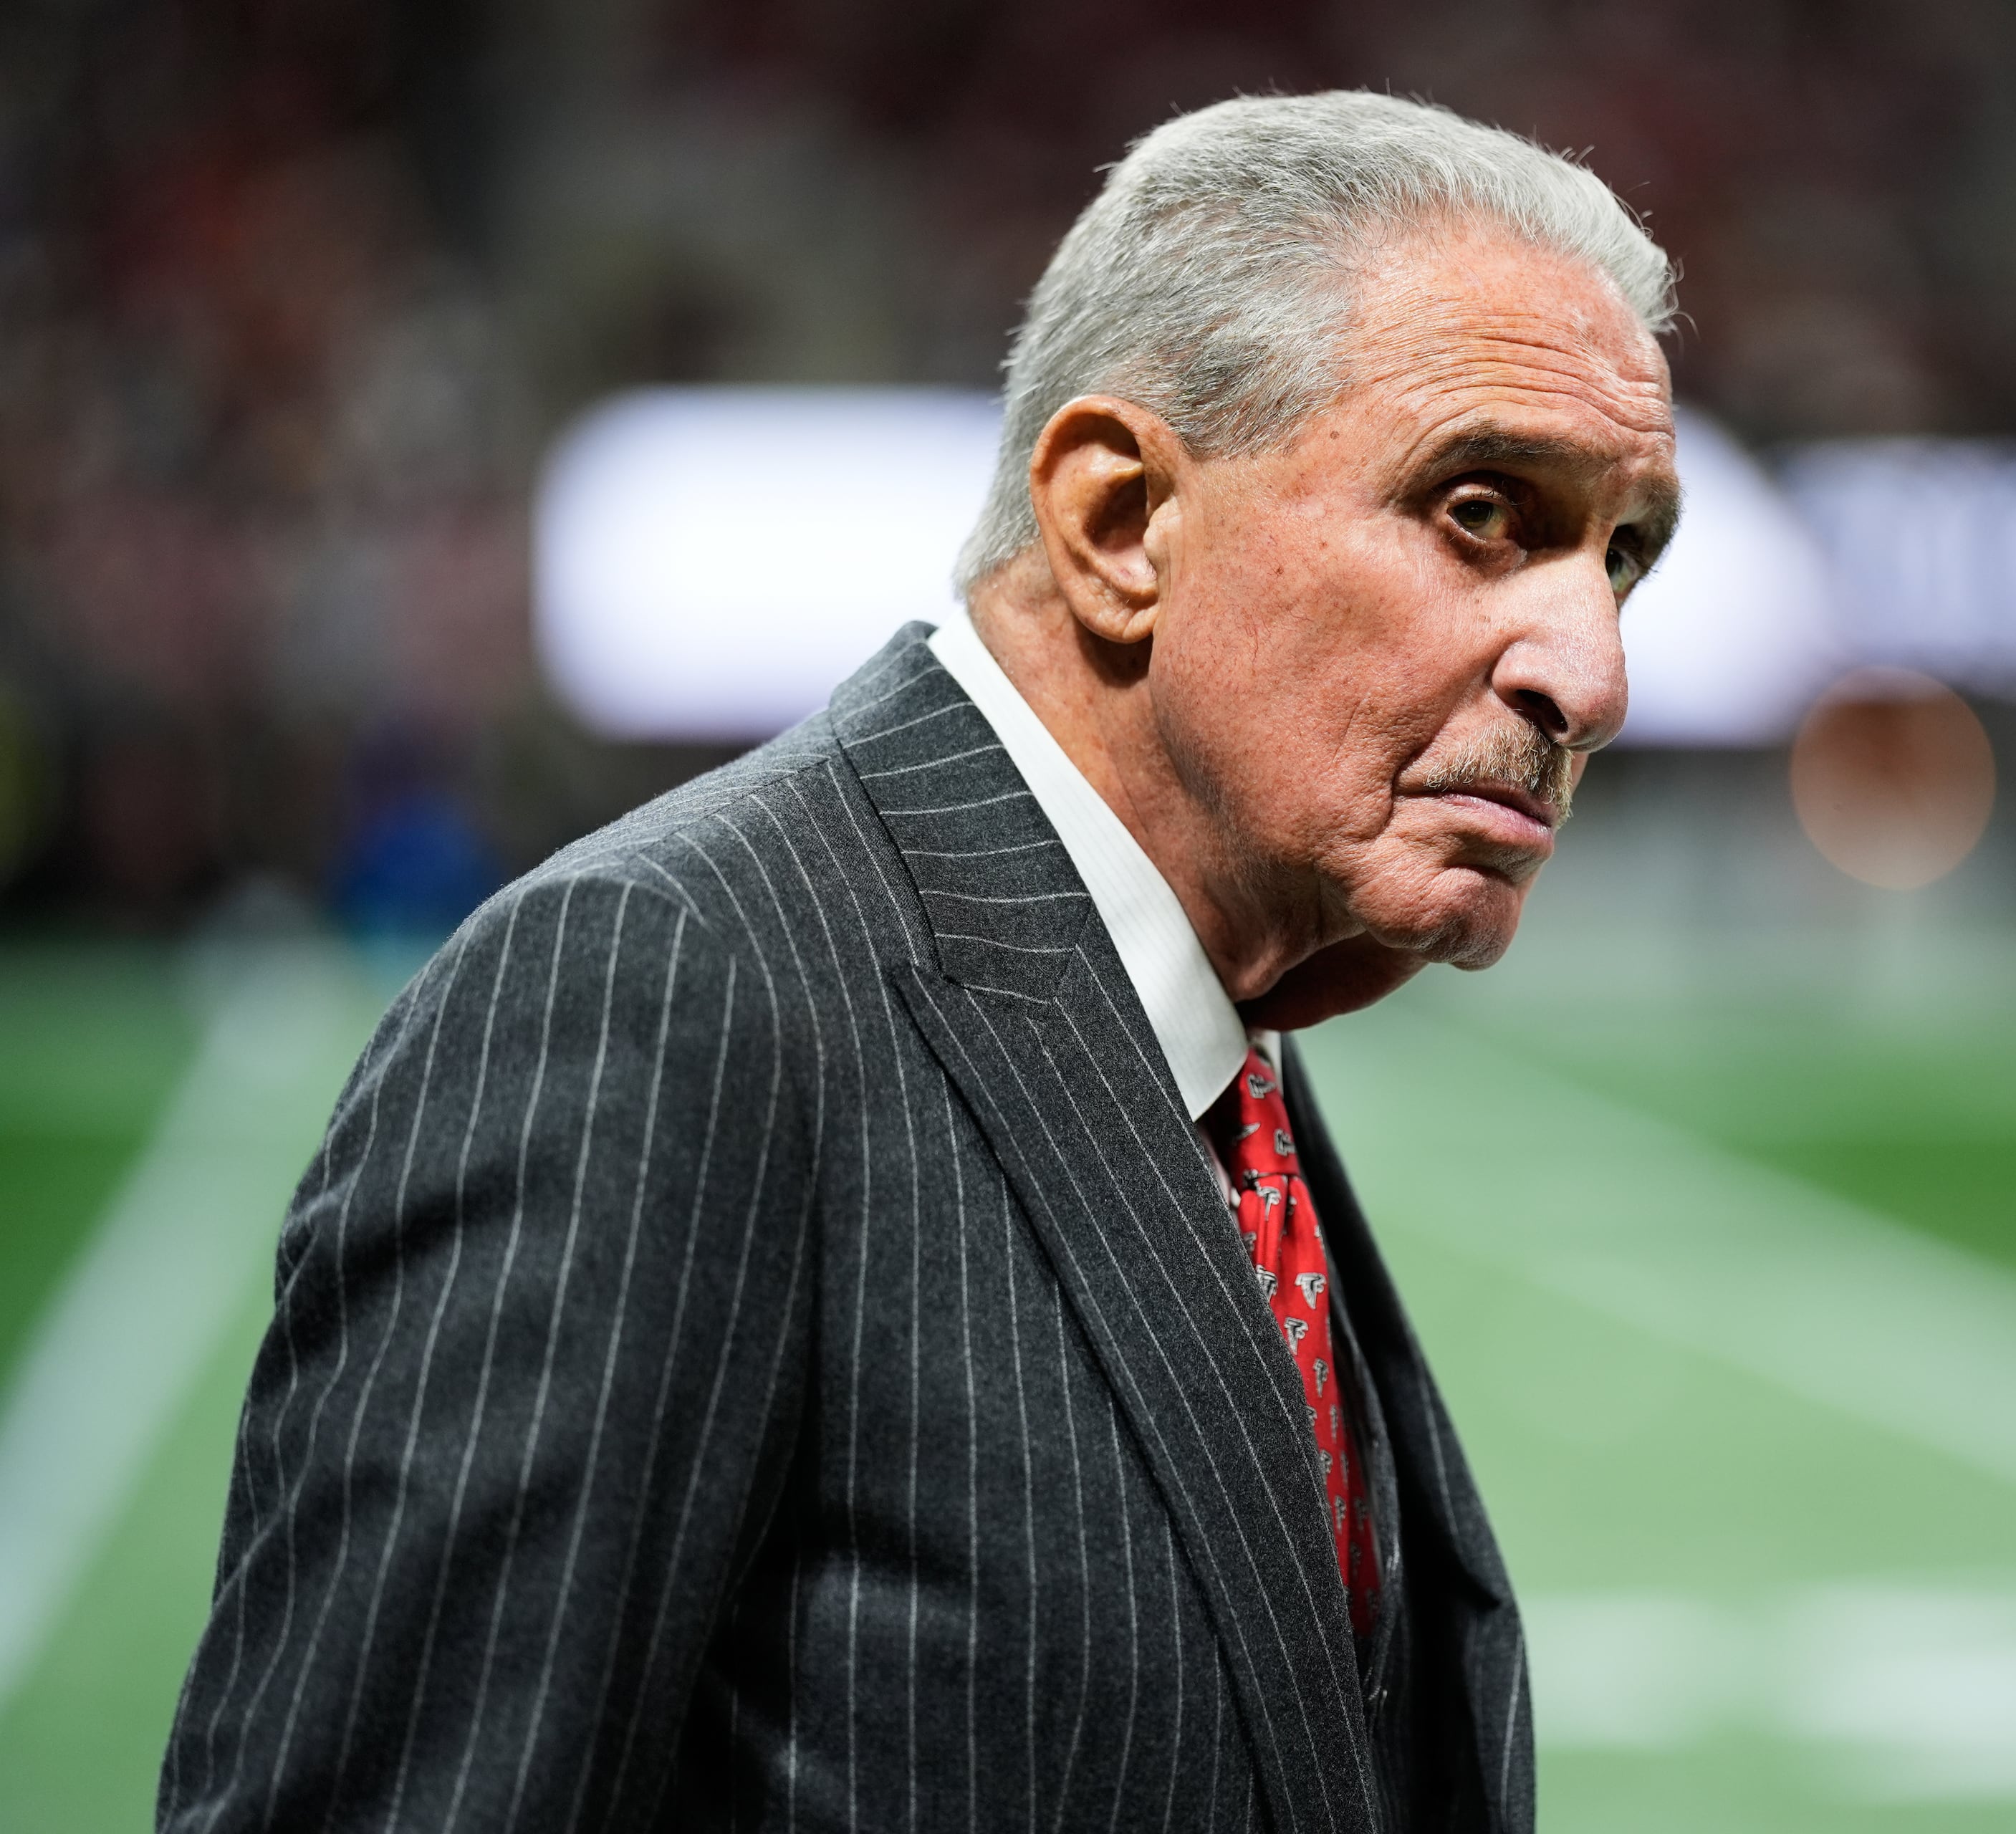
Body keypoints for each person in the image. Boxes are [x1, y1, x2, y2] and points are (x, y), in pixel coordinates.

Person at [158, 91, 1679, 1833]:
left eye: (1622, 554)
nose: (1593, 670)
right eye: (1485, 511)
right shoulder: (665, 988)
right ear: (1120, 521)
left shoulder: (1210, 1018)